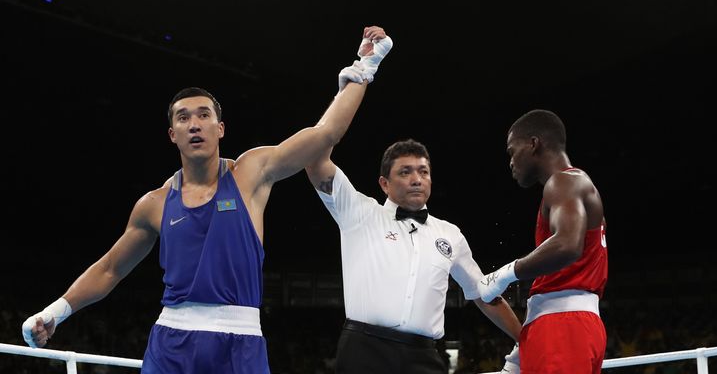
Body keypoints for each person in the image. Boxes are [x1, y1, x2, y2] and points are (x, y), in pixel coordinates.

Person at [21, 25, 394, 374]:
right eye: (184, 118)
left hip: (240, 340)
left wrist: (365, 65)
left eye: (203, 115)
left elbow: (326, 132)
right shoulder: (153, 203)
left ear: (220, 128)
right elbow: (110, 269)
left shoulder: (251, 173)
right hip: (171, 341)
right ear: (172, 134)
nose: (194, 124)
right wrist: (54, 312)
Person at [305, 138, 522, 374]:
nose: (416, 179)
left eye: (423, 172)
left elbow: (483, 292)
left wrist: (525, 338)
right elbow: (316, 162)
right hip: (365, 350)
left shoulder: (450, 234)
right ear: (384, 184)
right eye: (405, 172)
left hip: (424, 356)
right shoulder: (359, 213)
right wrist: (335, 125)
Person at [478, 109, 608, 374]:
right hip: (561, 326)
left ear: (533, 144)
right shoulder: (571, 186)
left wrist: (504, 274)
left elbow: (568, 245)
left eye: (512, 151)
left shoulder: (564, 181)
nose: (511, 162)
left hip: (563, 329)